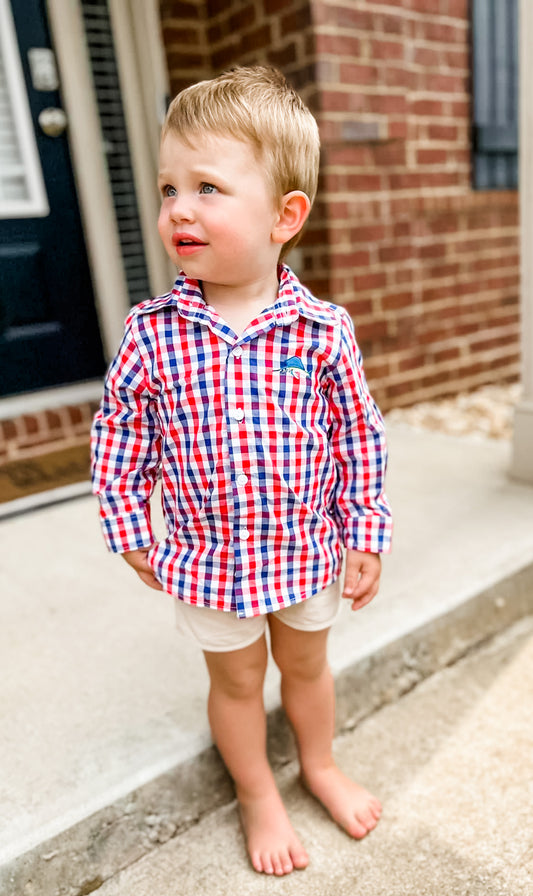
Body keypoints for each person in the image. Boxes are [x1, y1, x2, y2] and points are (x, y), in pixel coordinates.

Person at [91, 65, 392, 877]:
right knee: (234, 683)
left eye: (207, 188)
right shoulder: (151, 334)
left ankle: (318, 764)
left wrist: (364, 530)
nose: (178, 208)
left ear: (284, 216)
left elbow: (357, 437)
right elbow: (119, 437)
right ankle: (257, 790)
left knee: (306, 666)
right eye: (167, 188)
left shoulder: (322, 331)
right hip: (209, 560)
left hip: (303, 551)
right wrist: (129, 530)